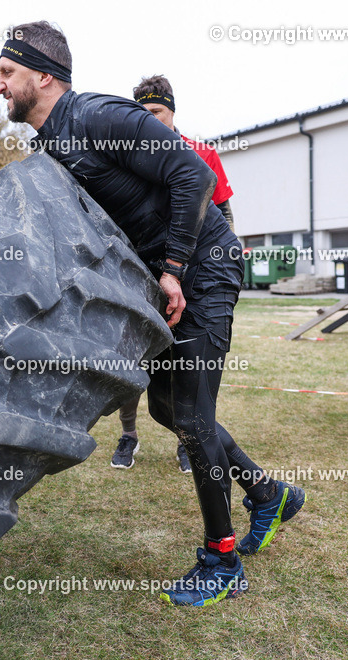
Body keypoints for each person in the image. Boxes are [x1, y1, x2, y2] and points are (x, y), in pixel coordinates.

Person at [0, 21, 304, 607]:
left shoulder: (99, 117)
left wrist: (174, 267)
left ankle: (221, 559)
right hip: (164, 284)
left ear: (42, 75)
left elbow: (195, 174)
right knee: (165, 407)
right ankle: (268, 494)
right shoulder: (52, 145)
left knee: (188, 413)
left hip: (202, 268)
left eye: (7, 73)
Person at [111, 75, 238, 473]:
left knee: (190, 367)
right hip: (146, 273)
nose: (149, 120)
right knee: (136, 357)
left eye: (156, 113)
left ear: (172, 111)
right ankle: (128, 435)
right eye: (141, 114)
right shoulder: (131, 154)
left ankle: (190, 440)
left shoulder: (199, 152)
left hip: (196, 274)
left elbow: (224, 214)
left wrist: (222, 269)